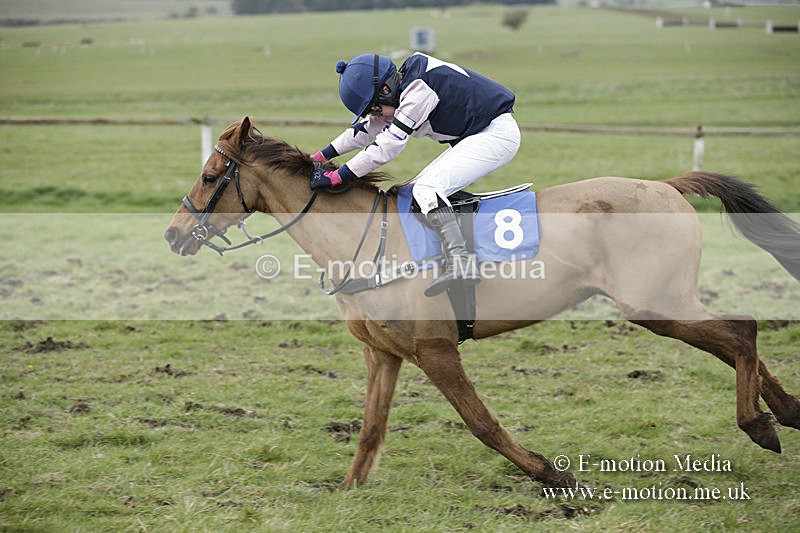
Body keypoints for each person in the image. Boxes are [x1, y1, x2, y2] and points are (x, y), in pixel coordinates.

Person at [310, 52, 520, 297]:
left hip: (496, 135)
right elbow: (366, 130)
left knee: (427, 190)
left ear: (386, 89)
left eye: (375, 109)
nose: (377, 116)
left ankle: (461, 262)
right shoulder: (402, 86)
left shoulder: (418, 91)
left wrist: (339, 176)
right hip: (479, 134)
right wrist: (319, 156)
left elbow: (387, 145)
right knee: (413, 193)